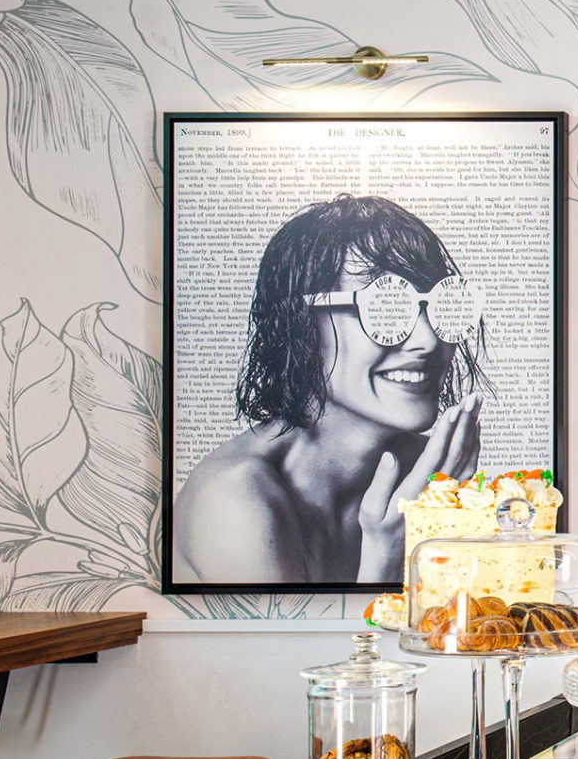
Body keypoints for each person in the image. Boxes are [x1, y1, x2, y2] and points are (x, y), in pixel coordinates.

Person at [173, 195, 488, 586]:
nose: (428, 339)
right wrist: (386, 552)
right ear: (299, 325)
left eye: (440, 306)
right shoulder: (233, 499)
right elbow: (305, 636)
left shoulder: (428, 472)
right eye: (386, 308)